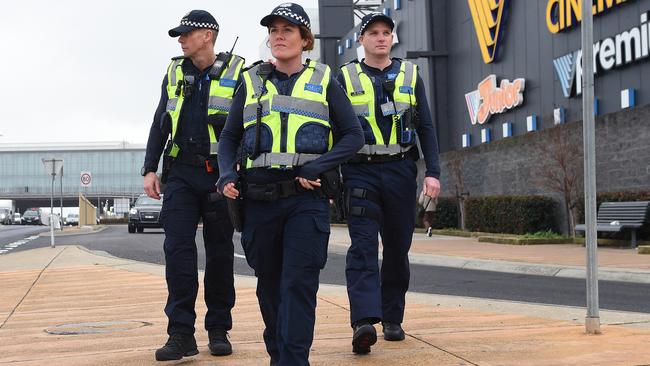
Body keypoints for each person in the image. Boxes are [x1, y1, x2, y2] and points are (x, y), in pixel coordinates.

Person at [217, 4, 363, 365]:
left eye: (287, 30)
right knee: (269, 286)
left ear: (305, 39)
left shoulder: (325, 79)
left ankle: (294, 361)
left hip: (305, 198)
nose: (278, 36)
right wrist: (226, 175)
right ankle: (278, 356)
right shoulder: (250, 81)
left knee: (299, 284)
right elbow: (228, 137)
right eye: (274, 30)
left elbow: (353, 136)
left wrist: (318, 167)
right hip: (258, 198)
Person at [142, 9, 245, 361]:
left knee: (219, 254)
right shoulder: (173, 71)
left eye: (187, 33)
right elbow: (159, 122)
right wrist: (149, 168)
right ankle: (180, 334)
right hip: (181, 173)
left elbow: (248, 127)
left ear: (208, 35)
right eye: (180, 34)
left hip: (219, 174)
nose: (181, 39)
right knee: (178, 252)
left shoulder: (238, 73)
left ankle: (218, 329)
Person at [337, 12, 441, 354]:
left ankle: (393, 316)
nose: (381, 38)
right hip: (359, 171)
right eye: (373, 33)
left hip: (400, 170)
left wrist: (433, 172)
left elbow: (426, 126)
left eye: (386, 32)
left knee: (397, 248)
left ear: (392, 38)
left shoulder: (411, 74)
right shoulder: (344, 77)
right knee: (363, 247)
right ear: (361, 40)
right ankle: (364, 321)